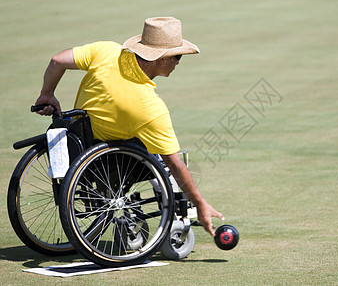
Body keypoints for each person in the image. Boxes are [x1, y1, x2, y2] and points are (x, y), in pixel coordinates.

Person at [34, 17, 223, 236]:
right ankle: (174, 215)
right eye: (177, 56)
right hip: (112, 160)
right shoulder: (151, 109)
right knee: (162, 156)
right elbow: (176, 164)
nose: (179, 62)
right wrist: (200, 203)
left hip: (79, 142)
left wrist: (47, 94)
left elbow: (57, 60)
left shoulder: (107, 51)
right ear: (159, 59)